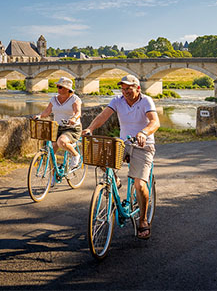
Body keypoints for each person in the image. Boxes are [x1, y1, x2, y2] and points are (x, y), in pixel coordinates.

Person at [82, 74, 159, 240]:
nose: (125, 92)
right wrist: (90, 128)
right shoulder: (117, 101)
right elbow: (103, 116)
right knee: (101, 159)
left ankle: (143, 219)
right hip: (123, 143)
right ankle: (115, 180)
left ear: (137, 88)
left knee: (139, 184)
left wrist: (144, 132)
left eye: (128, 88)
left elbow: (154, 122)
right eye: (123, 89)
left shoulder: (146, 101)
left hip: (143, 145)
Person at [33, 77, 83, 170]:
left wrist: (74, 118)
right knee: (51, 151)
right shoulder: (54, 99)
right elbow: (47, 111)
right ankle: (54, 175)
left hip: (71, 128)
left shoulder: (74, 99)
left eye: (60, 87)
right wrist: (39, 116)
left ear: (67, 89)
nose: (58, 89)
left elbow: (78, 112)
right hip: (58, 127)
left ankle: (75, 155)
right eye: (57, 86)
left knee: (62, 142)